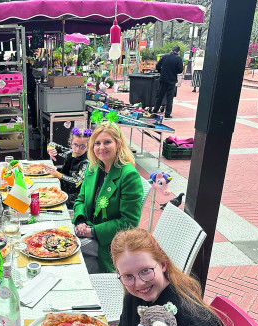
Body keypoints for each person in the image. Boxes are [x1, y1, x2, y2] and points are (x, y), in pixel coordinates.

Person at [72, 123, 143, 273]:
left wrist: (92, 231)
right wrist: (80, 221)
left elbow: (129, 222)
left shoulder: (128, 175)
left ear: (118, 144)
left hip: (110, 241)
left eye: (107, 142)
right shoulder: (93, 167)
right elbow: (80, 200)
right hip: (89, 230)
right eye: (97, 143)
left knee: (69, 249)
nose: (101, 147)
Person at [44, 127, 90, 208]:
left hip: (76, 199)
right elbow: (51, 144)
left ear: (88, 147)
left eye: (82, 146)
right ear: (70, 143)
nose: (77, 149)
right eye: (75, 145)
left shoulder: (86, 162)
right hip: (63, 191)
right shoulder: (69, 153)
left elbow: (76, 182)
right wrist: (50, 150)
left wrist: (57, 174)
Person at [152, 46, 184, 119]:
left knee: (159, 96)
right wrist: (174, 72)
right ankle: (167, 114)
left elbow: (157, 66)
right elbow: (180, 70)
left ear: (171, 50)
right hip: (172, 80)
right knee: (169, 98)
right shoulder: (178, 59)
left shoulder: (165, 56)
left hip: (163, 79)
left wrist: (161, 72)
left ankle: (155, 111)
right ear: (178, 52)